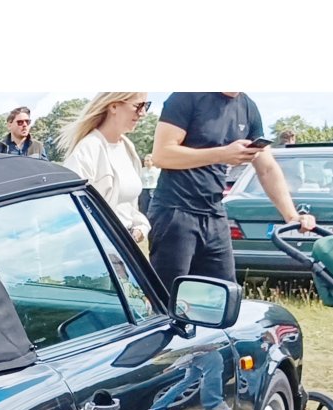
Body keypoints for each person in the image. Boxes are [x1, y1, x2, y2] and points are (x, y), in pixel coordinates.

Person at [148, 92, 315, 299]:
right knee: (167, 297)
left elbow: (267, 168)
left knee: (224, 296)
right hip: (175, 212)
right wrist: (222, 154)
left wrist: (291, 216)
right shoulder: (187, 96)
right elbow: (162, 155)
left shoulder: (248, 107)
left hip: (215, 213)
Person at [59, 93, 151, 243]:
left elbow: (129, 206)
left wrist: (141, 227)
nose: (143, 113)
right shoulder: (88, 149)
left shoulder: (128, 148)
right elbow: (69, 208)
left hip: (124, 249)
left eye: (146, 106)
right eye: (137, 106)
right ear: (113, 106)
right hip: (98, 250)